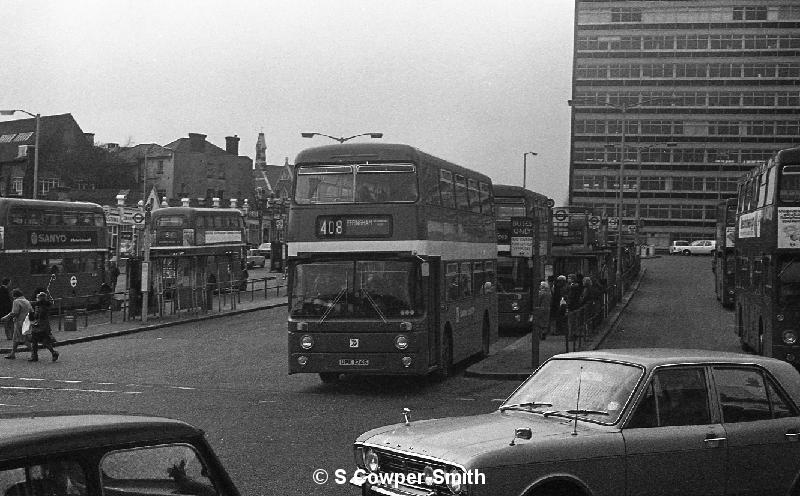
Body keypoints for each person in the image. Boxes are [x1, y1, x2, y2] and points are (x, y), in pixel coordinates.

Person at [1, 289, 33, 359]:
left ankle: (34, 353)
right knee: (16, 339)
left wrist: (6, 317)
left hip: (19, 322)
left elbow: (14, 312)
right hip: (26, 322)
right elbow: (31, 310)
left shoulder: (16, 301)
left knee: (24, 339)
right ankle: (12, 354)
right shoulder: (26, 301)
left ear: (14, 295)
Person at [30, 292, 59, 362]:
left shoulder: (39, 307)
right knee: (44, 341)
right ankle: (53, 353)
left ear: (39, 299)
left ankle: (35, 356)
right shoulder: (46, 306)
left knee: (35, 340)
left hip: (39, 326)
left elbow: (36, 316)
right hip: (45, 325)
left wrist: (34, 312)